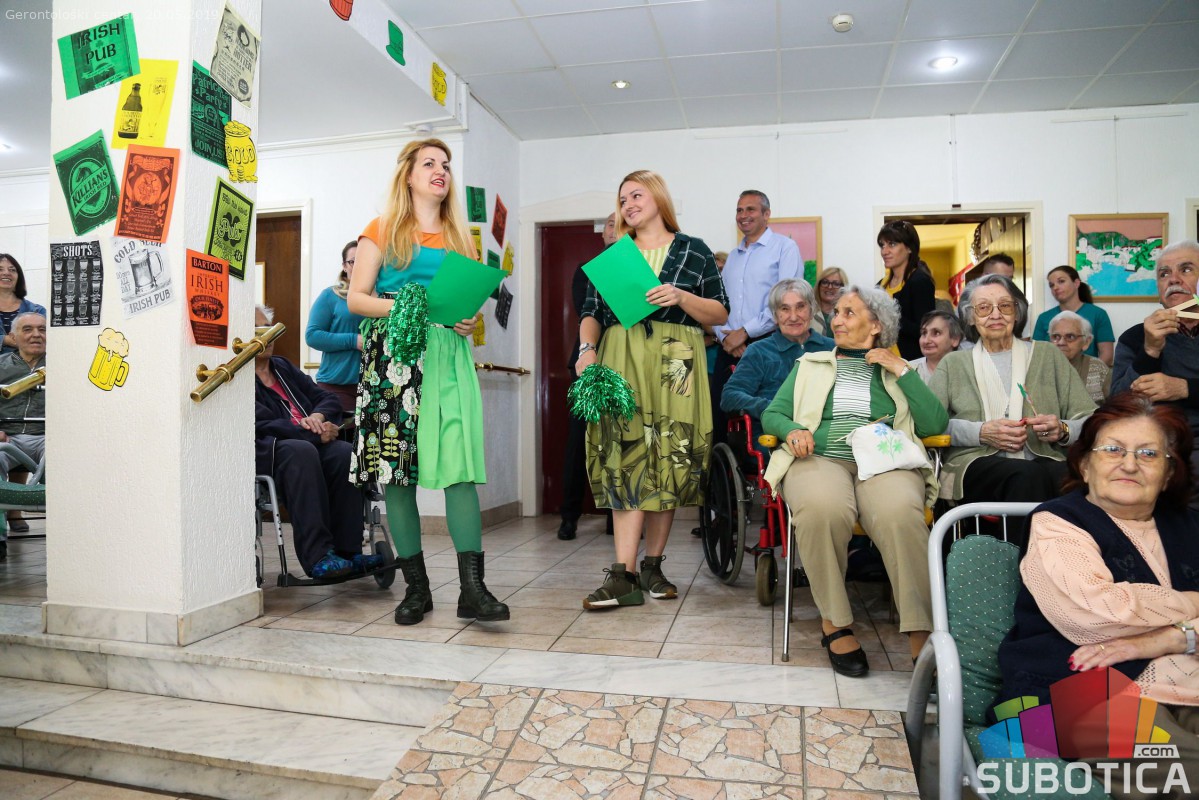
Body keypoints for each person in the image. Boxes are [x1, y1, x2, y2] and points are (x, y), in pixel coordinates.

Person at [996, 394, 1199, 798]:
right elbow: (1098, 615)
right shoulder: (1057, 523)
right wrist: (1193, 604)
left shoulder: (1189, 525)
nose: (1129, 464)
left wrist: (1174, 639)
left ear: (1169, 472)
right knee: (1190, 769)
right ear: (1085, 465)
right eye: (1113, 450)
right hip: (1069, 694)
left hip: (1186, 681)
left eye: (1148, 453)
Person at [348, 138, 509, 626]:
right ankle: (417, 590)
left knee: (460, 469)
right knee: (399, 475)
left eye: (446, 165)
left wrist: (467, 321)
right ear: (409, 175)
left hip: (448, 357)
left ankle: (473, 590)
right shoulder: (381, 230)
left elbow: (467, 305)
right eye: (429, 163)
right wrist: (408, 306)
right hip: (395, 358)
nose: (441, 170)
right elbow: (357, 298)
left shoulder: (461, 239)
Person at [761, 285, 946, 676]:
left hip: (883, 459)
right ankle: (835, 624)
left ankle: (921, 631)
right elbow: (773, 414)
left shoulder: (899, 369)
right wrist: (793, 429)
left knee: (900, 514)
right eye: (837, 312)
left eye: (849, 312)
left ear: (876, 325)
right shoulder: (810, 364)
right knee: (822, 509)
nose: (836, 319)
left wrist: (901, 370)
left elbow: (934, 424)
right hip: (820, 457)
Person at [576, 169, 728, 609]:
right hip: (621, 355)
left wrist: (681, 297)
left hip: (677, 358)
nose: (628, 205)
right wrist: (586, 349)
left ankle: (653, 566)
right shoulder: (614, 255)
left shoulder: (694, 249)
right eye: (622, 199)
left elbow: (720, 313)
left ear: (658, 197)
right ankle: (622, 575)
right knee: (624, 454)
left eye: (636, 195)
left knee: (671, 455)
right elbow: (591, 312)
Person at [929, 275, 1096, 531]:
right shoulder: (953, 363)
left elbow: (1093, 420)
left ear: (1016, 313)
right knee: (1025, 475)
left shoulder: (1048, 355)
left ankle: (1072, 554)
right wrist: (980, 432)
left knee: (1069, 476)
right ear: (970, 317)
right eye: (984, 308)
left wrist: (1063, 430)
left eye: (1005, 306)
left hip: (1043, 456)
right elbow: (930, 424)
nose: (995, 314)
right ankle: (1028, 556)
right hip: (975, 461)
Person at [254, 305, 379, 580]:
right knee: (300, 451)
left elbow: (327, 398)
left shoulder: (282, 367)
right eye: (258, 330)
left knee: (344, 453)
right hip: (273, 451)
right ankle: (318, 557)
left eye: (269, 329)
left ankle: (348, 552)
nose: (267, 336)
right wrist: (312, 433)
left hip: (309, 443)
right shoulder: (240, 375)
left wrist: (319, 417)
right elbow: (261, 423)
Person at [1111, 239, 1199, 512]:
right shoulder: (1136, 336)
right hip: (1155, 443)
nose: (1173, 279)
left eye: (1186, 269)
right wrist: (1150, 350)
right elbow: (1118, 405)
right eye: (1164, 274)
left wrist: (1184, 388)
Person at [711, 191, 801, 442]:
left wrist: (745, 333)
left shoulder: (785, 248)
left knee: (763, 421)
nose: (743, 215)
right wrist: (725, 337)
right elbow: (720, 304)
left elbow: (786, 302)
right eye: (739, 210)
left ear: (766, 214)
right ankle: (725, 468)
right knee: (721, 419)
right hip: (728, 347)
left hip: (768, 346)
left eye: (750, 209)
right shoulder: (733, 257)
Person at [721, 278, 833, 452]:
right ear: (774, 315)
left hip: (825, 432)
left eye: (800, 307)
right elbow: (730, 396)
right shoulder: (759, 351)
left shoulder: (831, 348)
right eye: (785, 309)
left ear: (812, 310)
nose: (793, 316)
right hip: (773, 438)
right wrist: (773, 409)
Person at [559, 213, 617, 541]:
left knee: (617, 443)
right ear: (603, 234)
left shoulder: (642, 267)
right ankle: (568, 518)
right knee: (579, 443)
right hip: (588, 366)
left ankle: (614, 519)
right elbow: (587, 311)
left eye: (620, 224)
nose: (614, 229)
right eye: (610, 224)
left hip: (626, 364)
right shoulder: (586, 269)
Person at [0, 312, 45, 559]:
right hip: (8, 437)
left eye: (42, 329)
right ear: (13, 337)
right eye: (27, 329)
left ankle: (69, 539)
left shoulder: (63, 364)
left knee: (65, 460)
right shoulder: (2, 365)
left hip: (46, 437)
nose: (36, 335)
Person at [305, 240, 364, 415]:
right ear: (344, 266)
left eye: (365, 260)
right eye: (353, 261)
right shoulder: (330, 296)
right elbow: (312, 336)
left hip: (374, 386)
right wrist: (354, 340)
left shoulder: (381, 296)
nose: (359, 266)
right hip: (337, 387)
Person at [1032, 265, 1115, 365]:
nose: (1055, 287)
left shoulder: (1098, 314)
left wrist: (1091, 373)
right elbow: (1037, 355)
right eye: (1051, 285)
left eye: (1061, 281)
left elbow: (1107, 355)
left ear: (1076, 283)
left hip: (1087, 372)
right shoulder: (1044, 318)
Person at [877, 221, 935, 361]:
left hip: (911, 362)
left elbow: (925, 330)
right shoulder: (880, 286)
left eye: (892, 244)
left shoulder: (920, 282)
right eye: (882, 245)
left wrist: (889, 317)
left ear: (909, 248)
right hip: (882, 361)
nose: (884, 251)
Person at [1049, 310, 1110, 404]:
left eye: (1070, 337)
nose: (1061, 342)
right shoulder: (1040, 367)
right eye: (1056, 337)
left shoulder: (1099, 368)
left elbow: (1114, 407)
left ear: (1086, 342)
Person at [0, 255, 47, 355]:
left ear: (18, 276)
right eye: (0, 269)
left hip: (29, 364)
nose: (6, 273)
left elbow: (50, 340)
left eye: (12, 270)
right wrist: (4, 340)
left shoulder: (37, 311)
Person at [909, 309, 963, 383]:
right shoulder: (907, 371)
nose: (926, 341)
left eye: (936, 333)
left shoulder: (968, 370)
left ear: (955, 339)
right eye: (924, 333)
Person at [813, 266, 847, 338]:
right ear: (818, 285)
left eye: (836, 284)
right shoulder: (808, 312)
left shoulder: (848, 315)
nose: (829, 287)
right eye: (825, 282)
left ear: (843, 288)